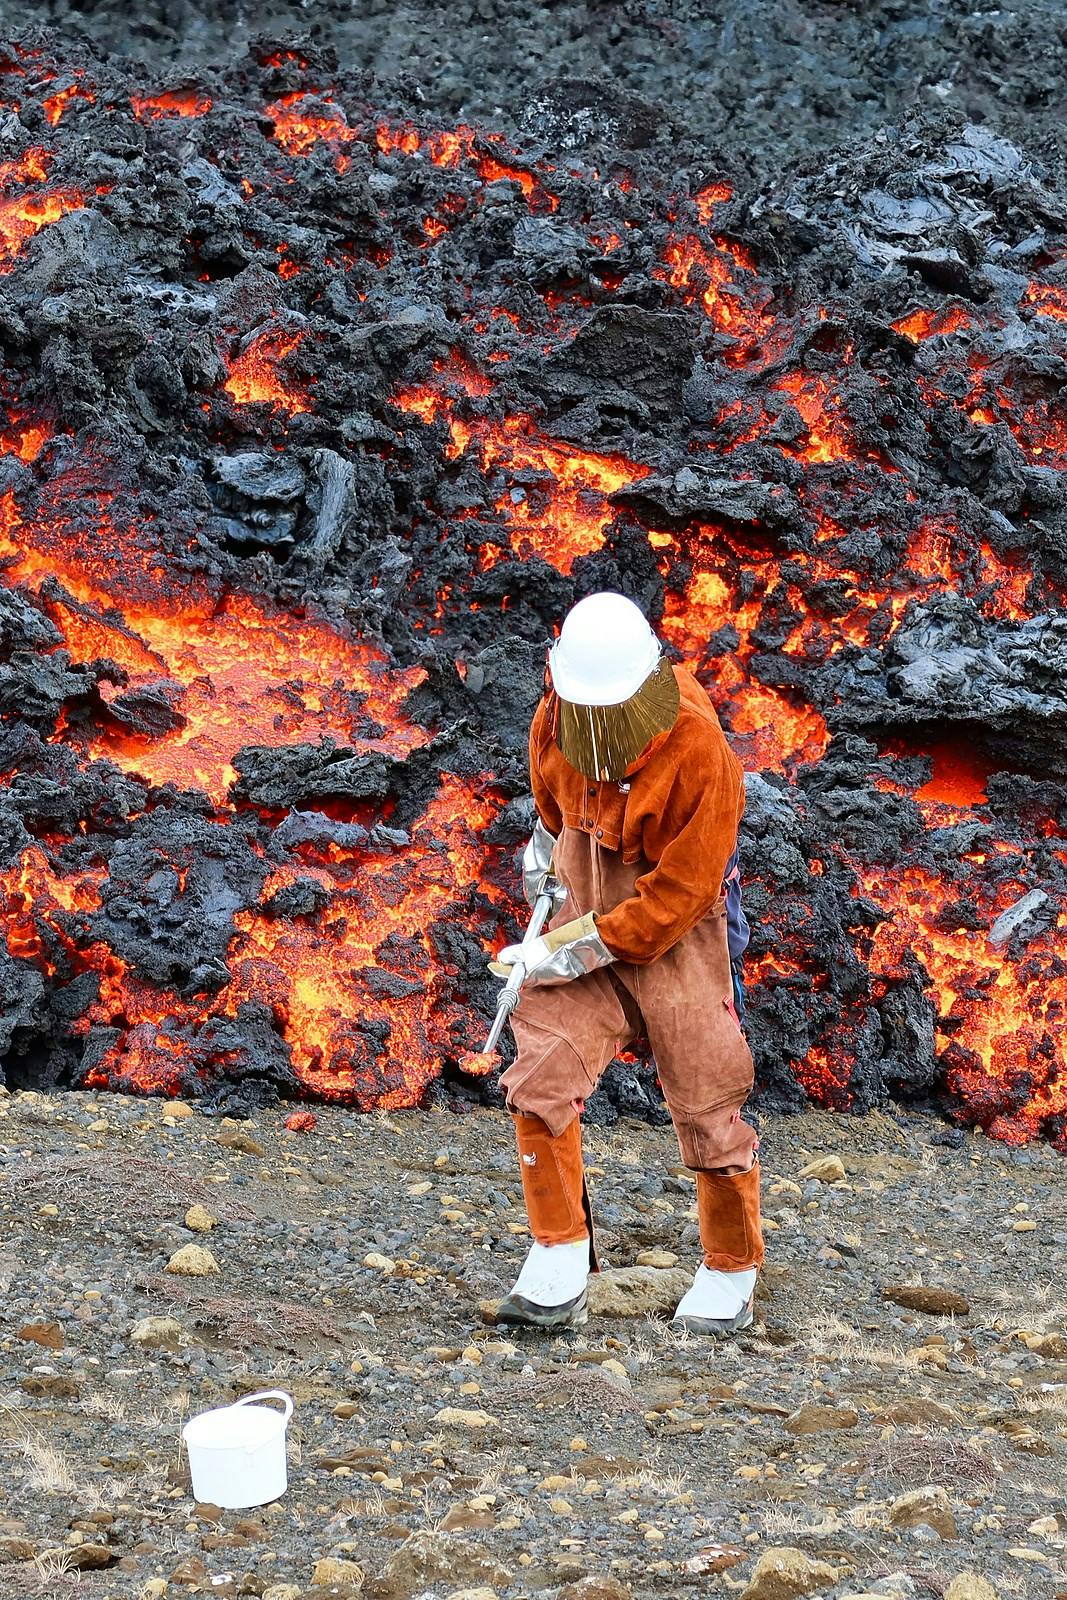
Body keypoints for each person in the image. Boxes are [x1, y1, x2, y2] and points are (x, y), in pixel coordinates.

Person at [489, 591, 763, 1336]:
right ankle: (559, 1253)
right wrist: (543, 881)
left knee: (708, 1091)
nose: (596, 721)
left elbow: (679, 894)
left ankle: (730, 1267)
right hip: (581, 910)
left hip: (678, 935)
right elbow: (550, 820)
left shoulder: (700, 751)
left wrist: (566, 947)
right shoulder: (551, 718)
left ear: (646, 681)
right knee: (540, 1071)